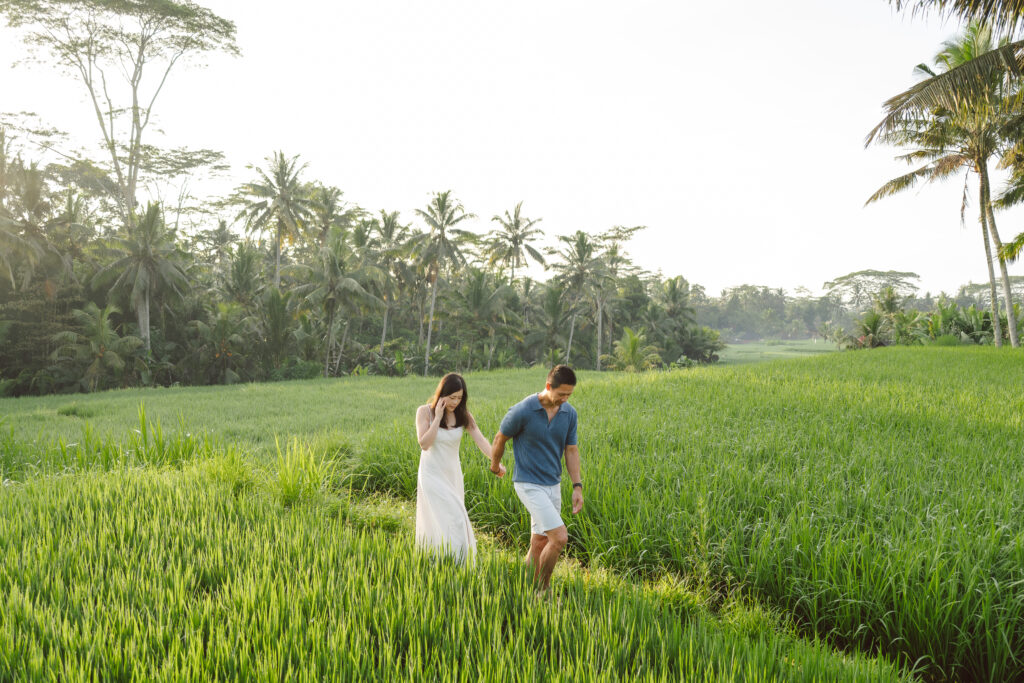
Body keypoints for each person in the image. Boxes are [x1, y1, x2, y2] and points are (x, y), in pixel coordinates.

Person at [490, 364, 582, 591]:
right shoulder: (523, 410)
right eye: (561, 394)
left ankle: (525, 589)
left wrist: (577, 486)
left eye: (569, 395)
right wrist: (494, 465)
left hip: (554, 484)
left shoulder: (569, 413)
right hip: (528, 483)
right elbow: (500, 438)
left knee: (540, 541)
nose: (565, 399)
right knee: (559, 538)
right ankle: (543, 590)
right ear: (548, 386)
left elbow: (571, 450)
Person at [415, 372, 503, 564]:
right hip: (431, 474)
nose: (455, 402)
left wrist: (496, 461)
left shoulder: (463, 415)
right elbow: (424, 444)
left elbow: (481, 440)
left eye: (459, 398)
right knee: (453, 517)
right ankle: (453, 562)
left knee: (452, 518)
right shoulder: (424, 412)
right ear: (441, 394)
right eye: (452, 397)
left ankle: (448, 560)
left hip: (452, 474)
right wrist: (437, 418)